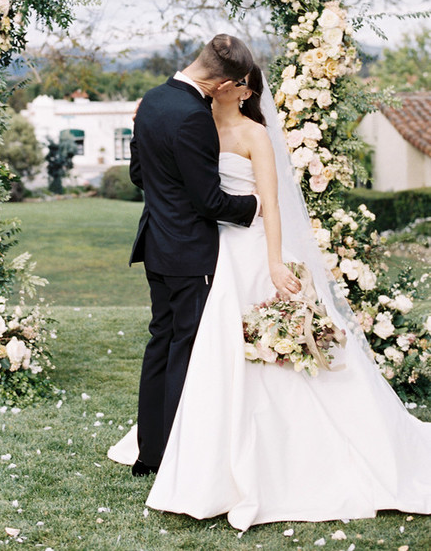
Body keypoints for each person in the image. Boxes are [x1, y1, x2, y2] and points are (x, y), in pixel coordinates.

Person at [109, 64, 431, 529]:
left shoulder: (250, 132)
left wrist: (277, 262)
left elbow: (271, 202)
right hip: (207, 249)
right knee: (195, 346)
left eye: (247, 87)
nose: (241, 91)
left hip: (245, 250)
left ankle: (246, 450)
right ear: (223, 85)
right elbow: (182, 187)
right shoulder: (193, 120)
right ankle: (184, 445)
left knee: (201, 344)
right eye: (239, 82)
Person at [126, 34, 281, 478]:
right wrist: (254, 206)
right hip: (190, 252)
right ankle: (177, 452)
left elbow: (140, 173)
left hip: (156, 243)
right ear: (224, 82)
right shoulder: (195, 117)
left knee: (160, 344)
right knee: (185, 351)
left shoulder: (153, 100)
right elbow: (210, 202)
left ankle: (150, 453)